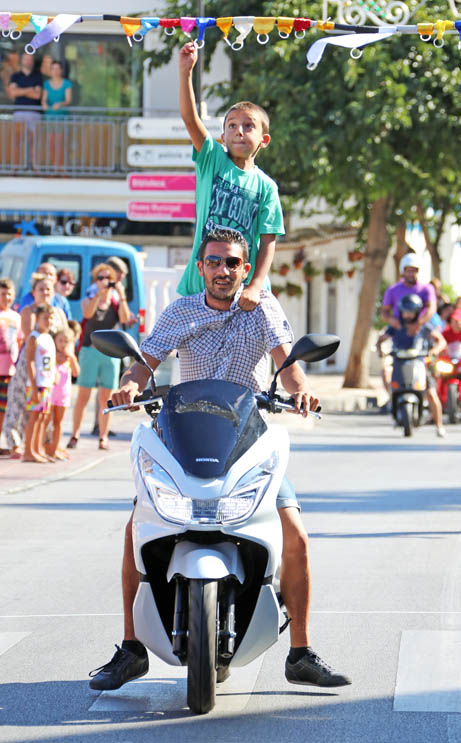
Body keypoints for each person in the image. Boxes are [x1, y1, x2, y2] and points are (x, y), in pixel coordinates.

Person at [88, 228, 351, 692]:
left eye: (232, 263)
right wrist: (130, 384)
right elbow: (144, 360)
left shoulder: (263, 309)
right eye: (214, 261)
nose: (223, 270)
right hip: (181, 438)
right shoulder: (181, 310)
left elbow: (288, 364)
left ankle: (301, 652)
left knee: (296, 534)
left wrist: (302, 390)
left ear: (245, 268)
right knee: (136, 529)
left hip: (247, 443)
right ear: (201, 266)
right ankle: (131, 648)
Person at [176, 41, 284, 310]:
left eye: (249, 126)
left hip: (244, 291)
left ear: (264, 139)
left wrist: (256, 286)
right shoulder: (212, 159)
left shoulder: (266, 187)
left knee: (274, 340)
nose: (240, 131)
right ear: (222, 136)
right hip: (201, 285)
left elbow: (268, 239)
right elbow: (191, 120)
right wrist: (185, 73)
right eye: (232, 126)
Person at [67, 263, 131, 451]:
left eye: (107, 279)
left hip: (110, 352)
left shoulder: (116, 298)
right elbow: (87, 313)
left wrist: (121, 294)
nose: (104, 282)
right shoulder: (90, 295)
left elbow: (125, 318)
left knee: (106, 397)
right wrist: (99, 294)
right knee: (84, 395)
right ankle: (75, 434)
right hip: (90, 349)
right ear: (95, 280)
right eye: (100, 278)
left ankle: (103, 436)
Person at [377, 294, 446, 437]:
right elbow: (381, 339)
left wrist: (433, 351)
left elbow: (441, 341)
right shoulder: (396, 326)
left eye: (411, 311)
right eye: (405, 311)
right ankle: (392, 399)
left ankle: (439, 425)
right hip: (399, 364)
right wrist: (380, 351)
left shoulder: (423, 326)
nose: (408, 315)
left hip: (419, 365)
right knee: (385, 372)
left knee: (431, 394)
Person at [23, 304, 56, 462]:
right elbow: (30, 362)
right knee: (34, 417)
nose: (48, 321)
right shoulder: (34, 337)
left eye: (50, 318)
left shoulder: (49, 337)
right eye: (45, 318)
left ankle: (38, 449)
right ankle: (28, 451)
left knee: (43, 417)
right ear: (37, 319)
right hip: (37, 384)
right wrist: (34, 386)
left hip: (47, 383)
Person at [45, 327, 79, 460]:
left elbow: (76, 373)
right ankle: (44, 447)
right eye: (60, 340)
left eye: (66, 341)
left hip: (63, 395)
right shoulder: (51, 354)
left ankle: (54, 449)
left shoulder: (69, 358)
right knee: (46, 422)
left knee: (58, 422)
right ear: (55, 341)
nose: (63, 344)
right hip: (51, 394)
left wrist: (72, 358)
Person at [0, 278, 21, 454]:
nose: (5, 297)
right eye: (2, 294)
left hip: (9, 369)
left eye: (8, 294)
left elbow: (19, 341)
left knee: (4, 408)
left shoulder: (16, 317)